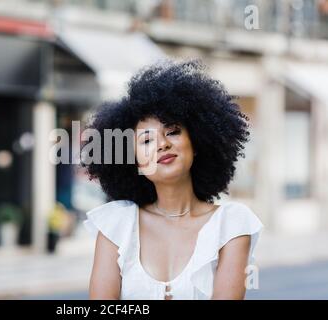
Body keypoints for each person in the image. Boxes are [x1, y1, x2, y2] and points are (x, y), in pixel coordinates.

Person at [80, 60, 263, 300]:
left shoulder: (231, 225)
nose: (163, 144)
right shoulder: (116, 226)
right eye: (146, 141)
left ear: (196, 142)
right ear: (134, 162)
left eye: (173, 131)